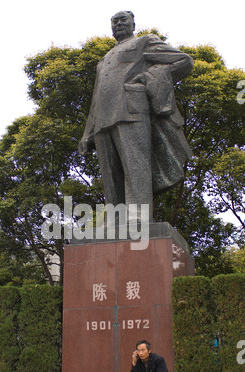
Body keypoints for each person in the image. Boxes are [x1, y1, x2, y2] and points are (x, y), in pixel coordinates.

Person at [79, 11, 193, 221]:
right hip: (103, 119)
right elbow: (95, 96)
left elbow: (183, 61)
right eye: (114, 21)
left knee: (136, 167)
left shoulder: (144, 42)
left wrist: (149, 78)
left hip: (132, 110)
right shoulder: (103, 59)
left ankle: (138, 219)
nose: (119, 23)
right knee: (110, 176)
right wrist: (88, 133)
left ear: (133, 24)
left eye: (123, 20)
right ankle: (114, 221)